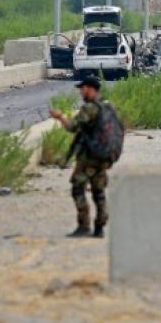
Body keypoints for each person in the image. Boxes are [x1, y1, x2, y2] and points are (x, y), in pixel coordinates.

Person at [50, 76, 111, 238]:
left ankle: (84, 226)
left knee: (77, 189)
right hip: (103, 156)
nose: (81, 92)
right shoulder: (106, 106)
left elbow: (72, 127)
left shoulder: (89, 108)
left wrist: (60, 117)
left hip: (88, 157)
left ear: (90, 89)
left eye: (83, 89)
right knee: (99, 192)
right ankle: (100, 227)